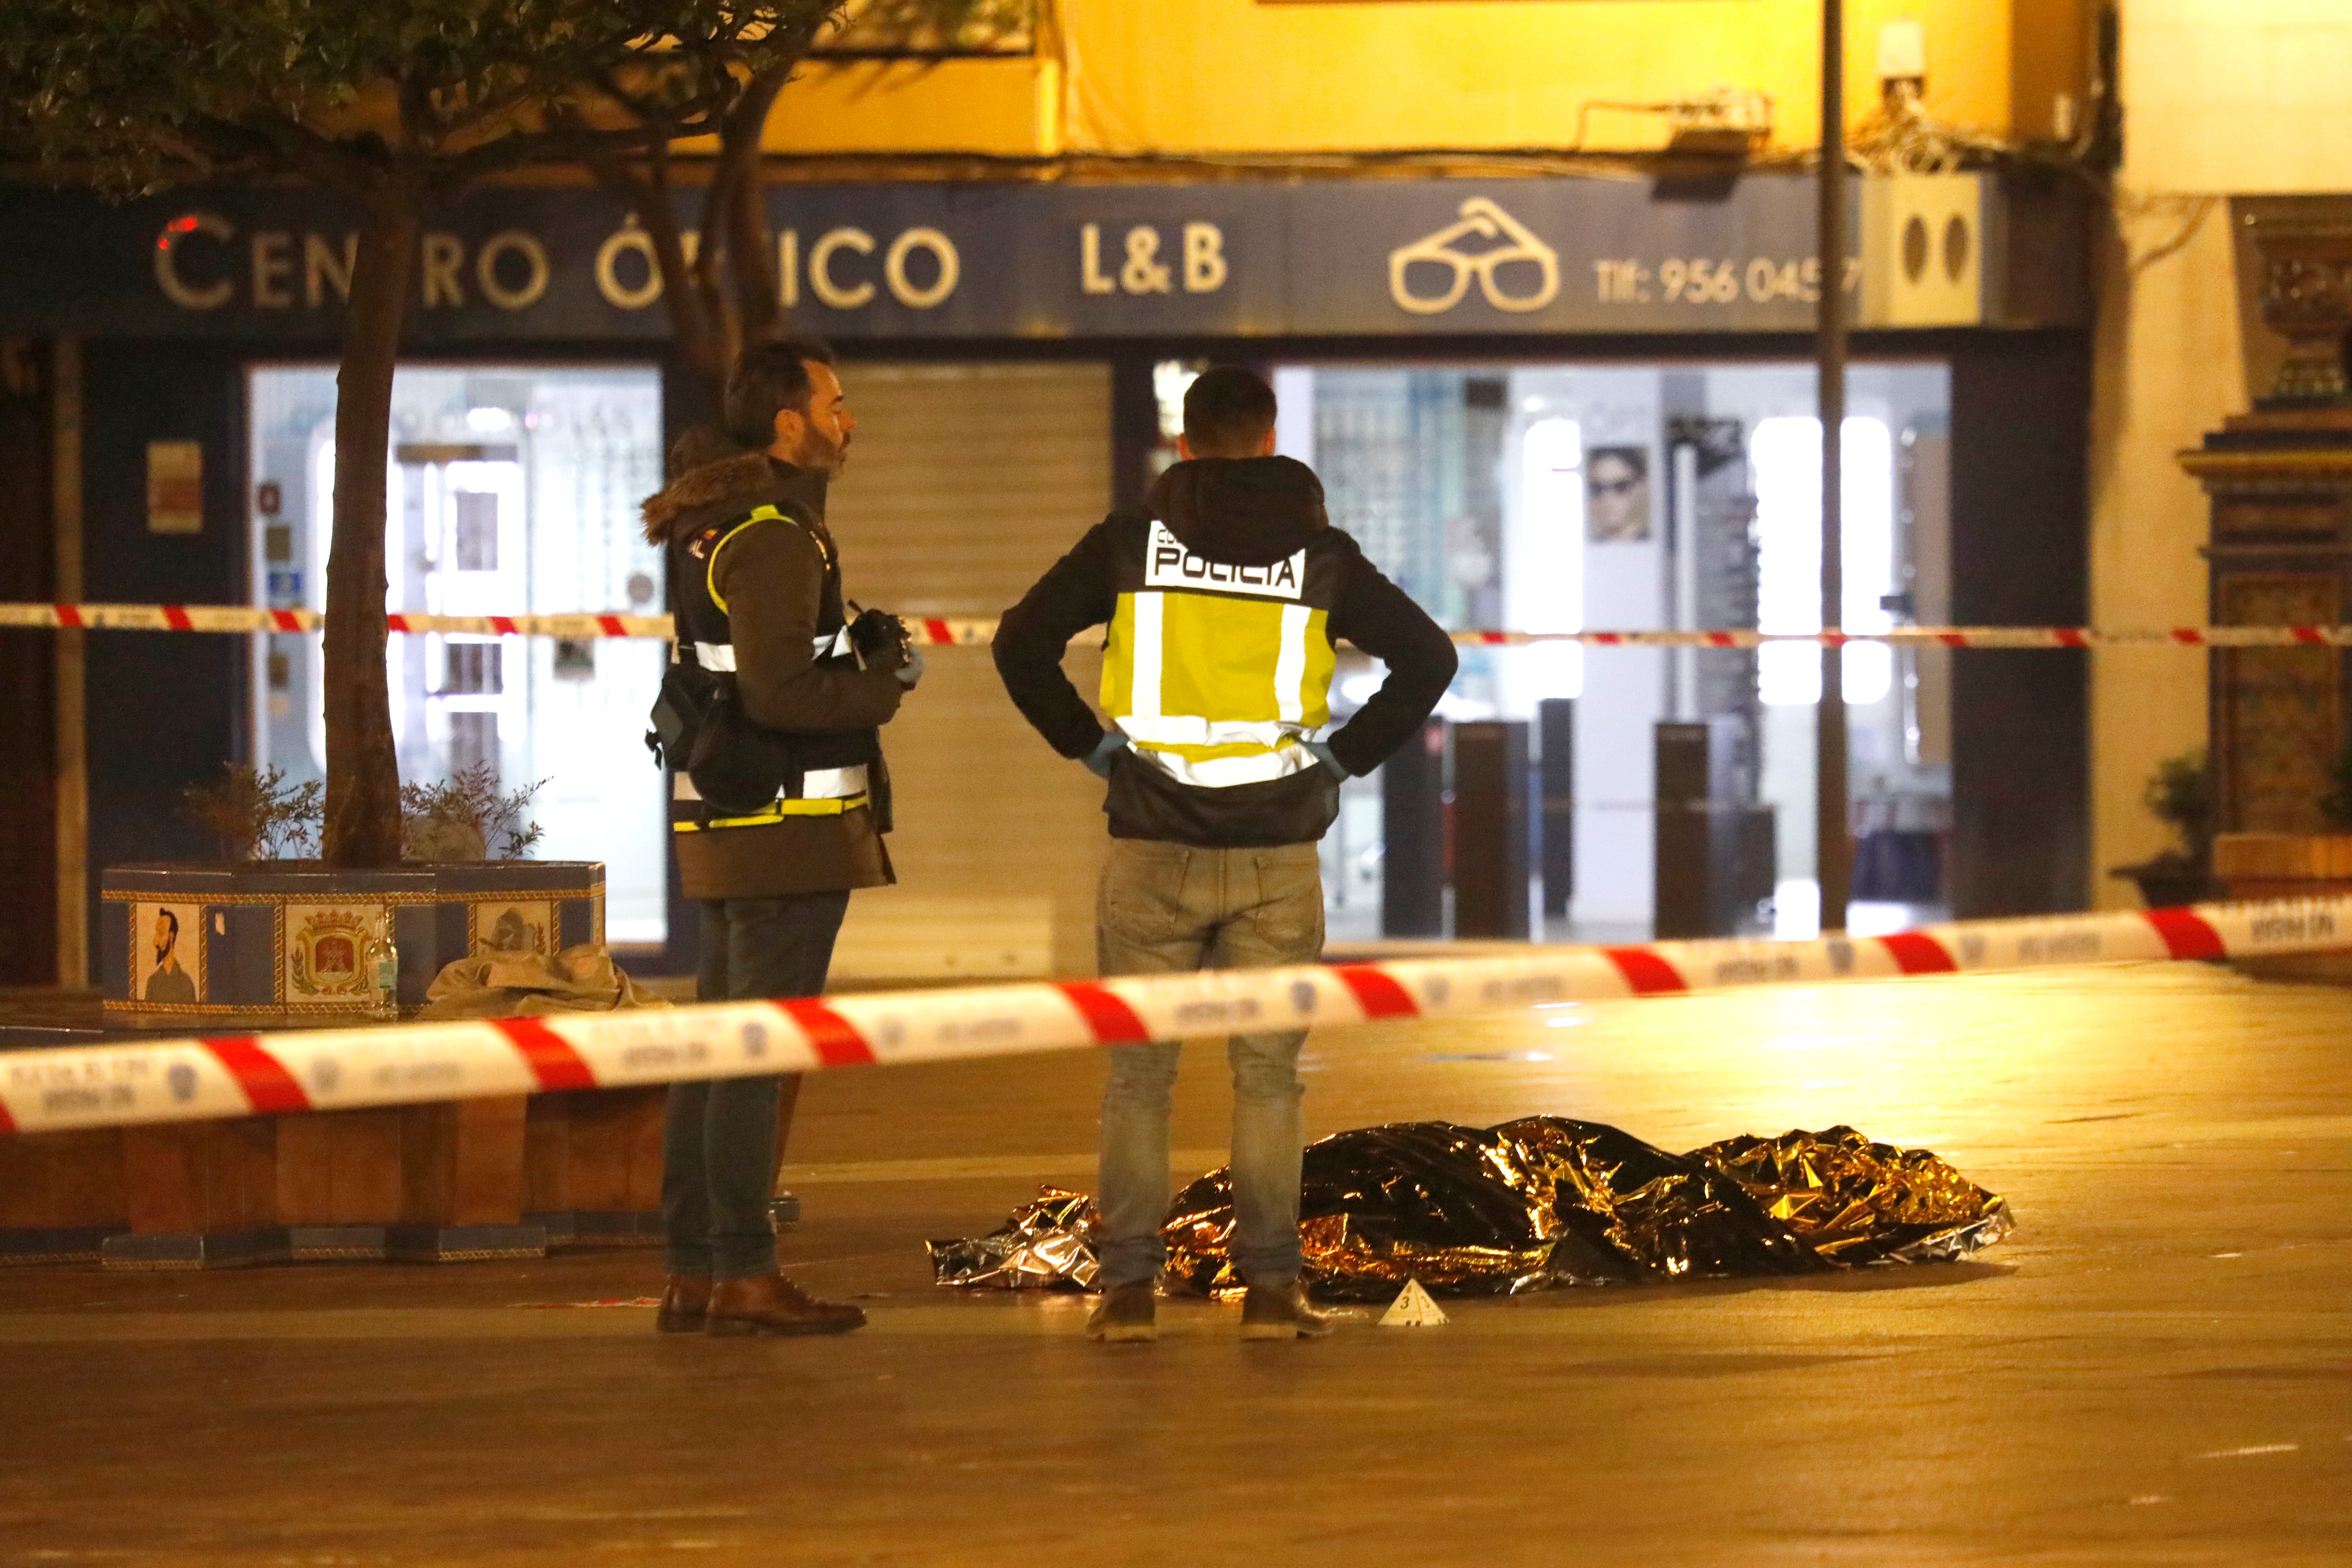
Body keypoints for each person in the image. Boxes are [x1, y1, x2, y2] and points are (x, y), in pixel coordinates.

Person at [993, 366, 1457, 1343]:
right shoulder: (1320, 554)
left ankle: (1125, 1294)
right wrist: (1337, 760)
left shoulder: (1129, 540)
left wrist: (1093, 748)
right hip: (1276, 854)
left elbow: (1020, 640)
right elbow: (1428, 657)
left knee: (1137, 1080)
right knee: (1266, 1081)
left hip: (1151, 847)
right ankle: (1274, 1290)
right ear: (1270, 435)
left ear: (1186, 442)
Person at [638, 338, 921, 1337]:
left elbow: (760, 667)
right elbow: (778, 691)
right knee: (751, 1053)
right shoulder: (772, 535)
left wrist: (852, 644)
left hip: (737, 826)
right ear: (787, 422)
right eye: (834, 403)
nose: (849, 420)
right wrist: (882, 683)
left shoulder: (728, 528)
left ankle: (696, 1272)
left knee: (718, 1049)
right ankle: (742, 1271)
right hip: (782, 834)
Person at [142, 909, 195, 1004]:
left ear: (171, 936)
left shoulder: (186, 983)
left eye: (161, 933)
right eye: (156, 933)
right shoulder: (152, 982)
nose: (156, 941)